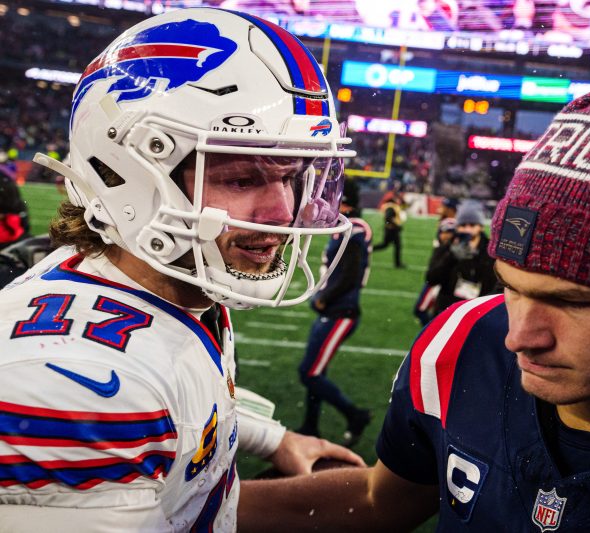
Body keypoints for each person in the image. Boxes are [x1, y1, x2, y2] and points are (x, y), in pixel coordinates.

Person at [237, 26, 590, 531]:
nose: (518, 336)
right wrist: (200, 506)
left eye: (576, 302)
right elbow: (379, 500)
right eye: (510, 286)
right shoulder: (464, 339)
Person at [0, 8, 366, 531]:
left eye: (291, 176)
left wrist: (275, 439)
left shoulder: (169, 281)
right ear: (121, 174)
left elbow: (186, 407)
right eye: (241, 179)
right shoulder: (73, 383)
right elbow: (134, 396)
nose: (282, 212)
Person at [297, 179, 373, 446]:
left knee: (309, 373)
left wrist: (323, 298)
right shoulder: (345, 226)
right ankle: (310, 426)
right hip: (333, 310)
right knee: (316, 371)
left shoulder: (354, 230)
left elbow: (350, 276)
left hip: (341, 312)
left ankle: (355, 415)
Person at [425, 199, 497, 316]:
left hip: (477, 311)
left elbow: (494, 285)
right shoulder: (447, 246)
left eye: (472, 225)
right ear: (457, 227)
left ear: (481, 227)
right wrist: (451, 257)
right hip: (447, 310)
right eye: (463, 225)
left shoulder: (491, 251)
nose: (467, 229)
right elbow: (431, 279)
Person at [413, 216, 457, 326]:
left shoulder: (457, 250)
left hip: (444, 286)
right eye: (443, 232)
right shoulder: (440, 247)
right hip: (435, 281)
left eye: (450, 232)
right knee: (421, 310)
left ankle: (433, 328)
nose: (446, 235)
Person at [373, 191, 406, 268]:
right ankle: (369, 249)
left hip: (391, 229)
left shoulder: (392, 205)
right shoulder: (391, 207)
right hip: (391, 230)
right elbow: (388, 218)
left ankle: (398, 263)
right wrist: (395, 225)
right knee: (387, 245)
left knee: (391, 245)